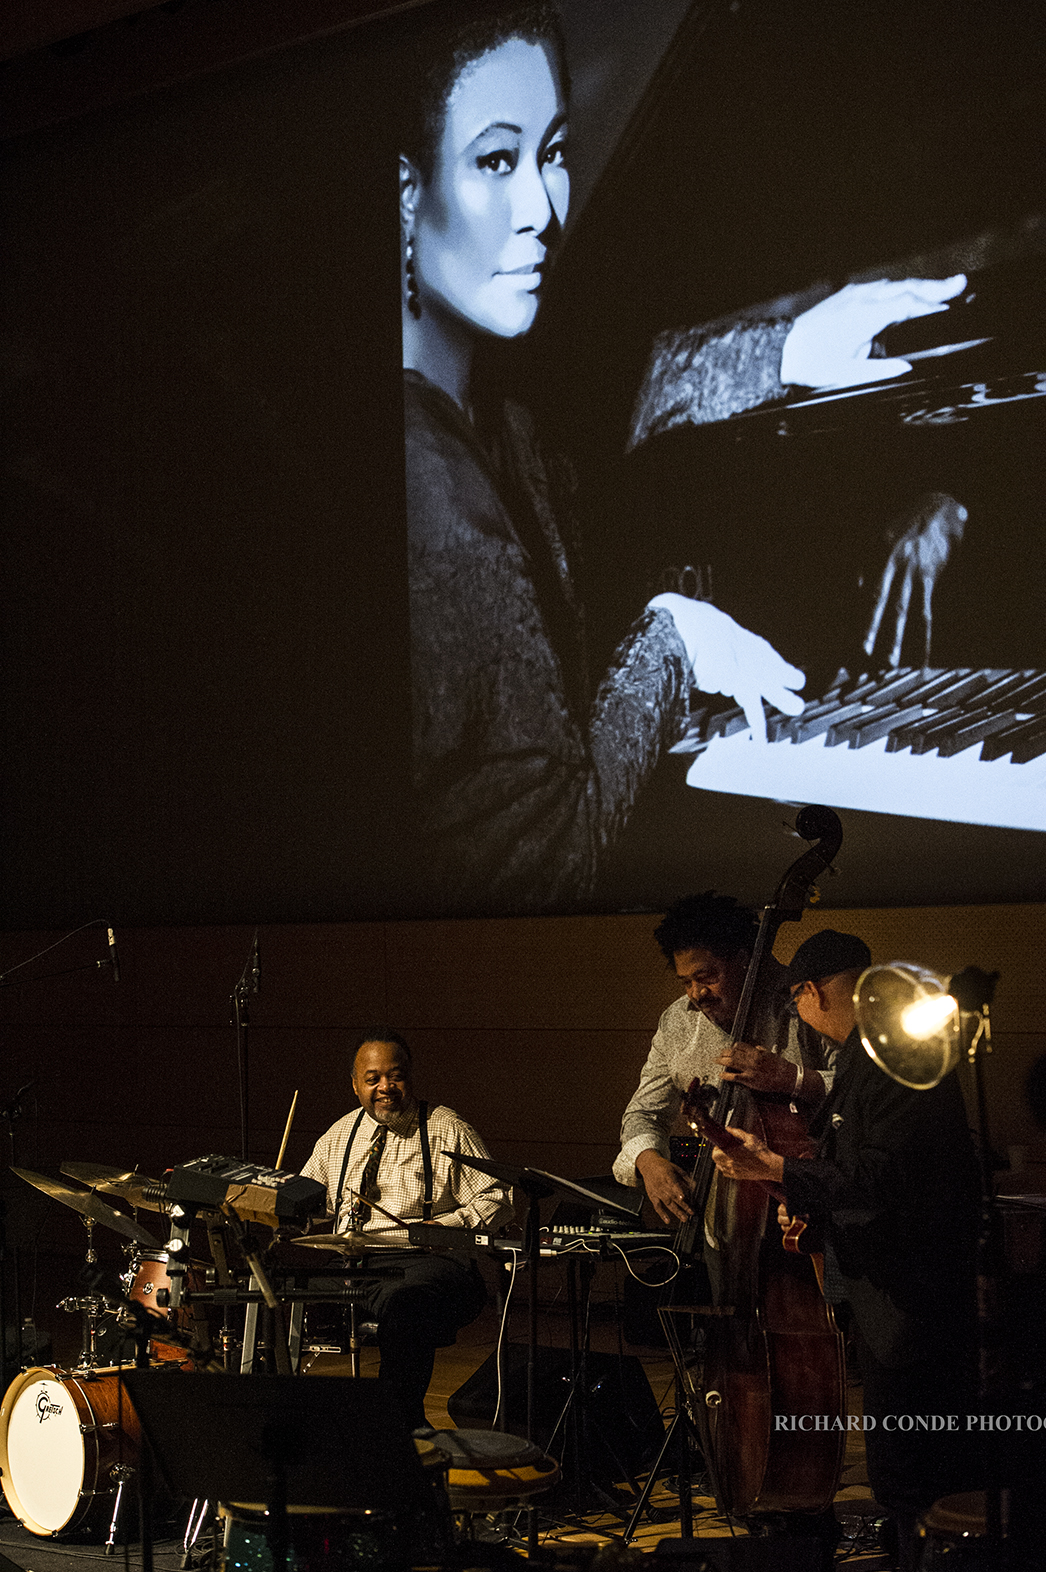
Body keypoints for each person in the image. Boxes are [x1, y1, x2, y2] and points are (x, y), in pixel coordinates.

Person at [399, 0, 966, 914]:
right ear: (405, 194)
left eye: (552, 154)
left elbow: (601, 402)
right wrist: (676, 638)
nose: (542, 209)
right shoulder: (436, 500)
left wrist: (785, 352)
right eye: (495, 160)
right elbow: (554, 859)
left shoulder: (476, 407)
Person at [710, 929, 979, 1570]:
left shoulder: (887, 1056)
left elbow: (882, 1179)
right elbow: (865, 1176)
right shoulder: (872, 1053)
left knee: (913, 1470)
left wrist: (773, 1163)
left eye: (796, 1002)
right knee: (906, 1466)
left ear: (810, 992)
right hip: (895, 1292)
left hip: (909, 1298)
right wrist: (812, 1214)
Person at [301, 1027, 513, 1432]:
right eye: (373, 1078)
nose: (386, 1087)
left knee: (407, 1304)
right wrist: (276, 1206)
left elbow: (498, 1198)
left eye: (395, 1076)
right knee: (269, 1295)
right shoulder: (338, 1135)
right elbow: (308, 1204)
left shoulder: (446, 1127)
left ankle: (398, 1426)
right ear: (354, 1085)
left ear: (409, 1077)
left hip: (426, 1262)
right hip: (353, 1264)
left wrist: (444, 1226)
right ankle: (293, 1425)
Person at [612, 892, 833, 1227]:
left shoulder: (806, 1003)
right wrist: (648, 1162)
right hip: (721, 1216)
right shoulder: (677, 1022)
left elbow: (863, 1091)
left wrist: (792, 1078)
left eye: (707, 977)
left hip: (808, 1203)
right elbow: (643, 1113)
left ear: (745, 959)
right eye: (685, 982)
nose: (696, 994)